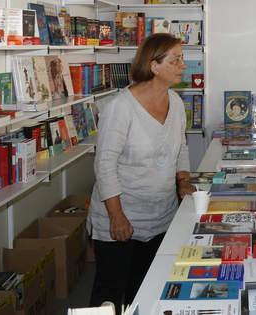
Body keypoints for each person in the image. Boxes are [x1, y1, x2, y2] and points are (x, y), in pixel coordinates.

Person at [88, 33, 194, 308]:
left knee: (145, 290)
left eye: (182, 58)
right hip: (121, 218)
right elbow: (104, 164)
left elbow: (181, 147)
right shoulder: (120, 108)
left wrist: (183, 180)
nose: (183, 64)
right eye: (176, 59)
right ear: (154, 65)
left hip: (160, 215)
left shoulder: (177, 103)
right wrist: (116, 215)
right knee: (109, 294)